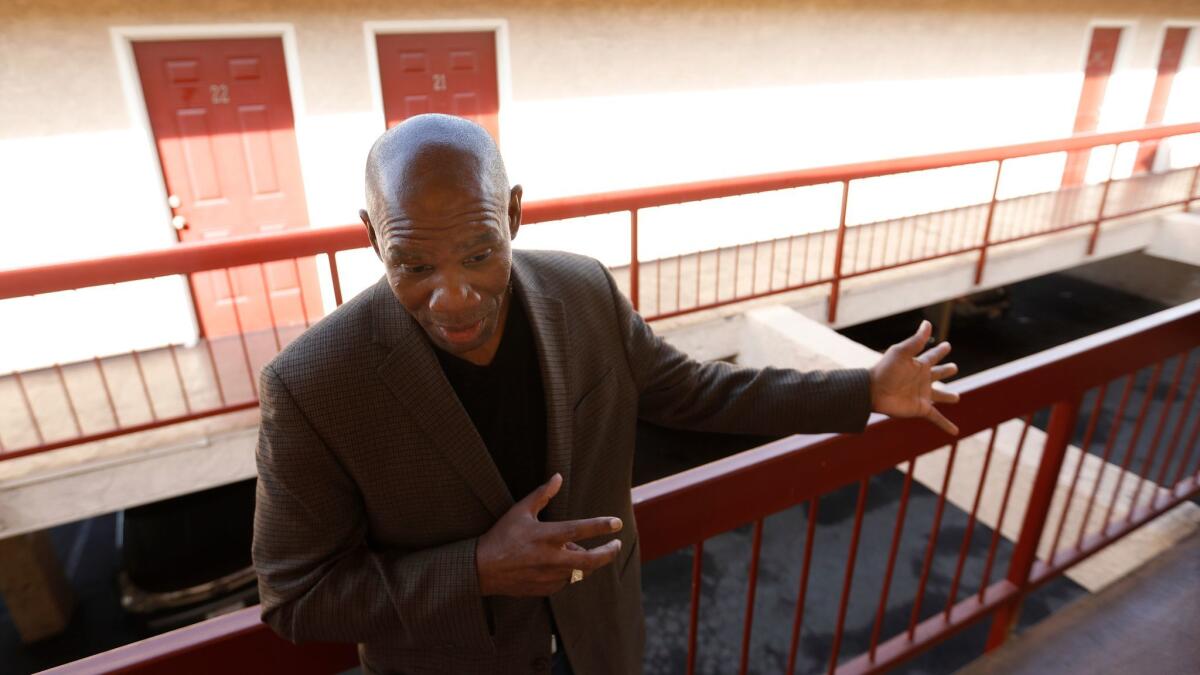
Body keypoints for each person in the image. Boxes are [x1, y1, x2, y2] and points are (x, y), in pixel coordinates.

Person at [251, 114, 960, 675]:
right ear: (372, 236)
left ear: (515, 214)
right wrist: (473, 571)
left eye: (478, 253)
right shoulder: (311, 385)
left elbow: (696, 392)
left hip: (602, 643)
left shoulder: (581, 289)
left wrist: (863, 388)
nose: (455, 298)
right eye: (413, 264)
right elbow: (295, 599)